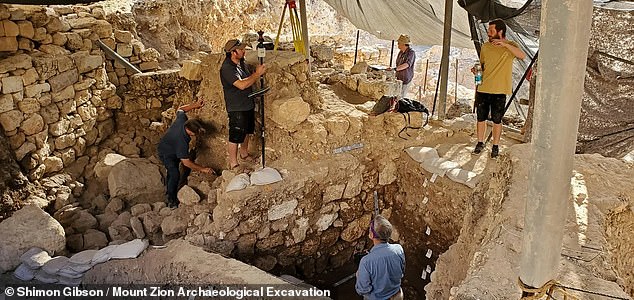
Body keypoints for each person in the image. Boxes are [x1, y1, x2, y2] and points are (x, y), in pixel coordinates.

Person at [472, 19, 526, 158]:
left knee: (497, 120)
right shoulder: (485, 47)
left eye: (491, 31)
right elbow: (483, 65)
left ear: (500, 31)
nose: (488, 34)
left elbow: (522, 56)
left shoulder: (511, 46)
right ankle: (480, 142)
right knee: (481, 118)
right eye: (488, 31)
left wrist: (504, 45)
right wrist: (476, 70)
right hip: (483, 88)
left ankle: (495, 146)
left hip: (500, 90)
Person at [219, 38, 267, 170]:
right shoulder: (227, 68)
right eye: (241, 49)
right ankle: (233, 163)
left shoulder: (241, 63)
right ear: (233, 52)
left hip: (247, 103)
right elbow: (241, 85)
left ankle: (244, 154)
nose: (244, 51)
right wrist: (257, 74)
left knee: (247, 131)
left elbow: (247, 78)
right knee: (236, 134)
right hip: (236, 107)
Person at [157, 100, 213, 208]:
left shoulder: (182, 120)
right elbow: (186, 162)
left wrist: (195, 105)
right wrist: (203, 169)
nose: (194, 136)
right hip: (166, 153)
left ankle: (170, 188)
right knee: (174, 174)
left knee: (173, 171)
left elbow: (181, 109)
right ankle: (171, 200)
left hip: (170, 146)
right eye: (194, 134)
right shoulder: (181, 141)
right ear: (188, 130)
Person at [355, 215, 405, 300]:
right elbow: (401, 272)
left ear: (371, 235)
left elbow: (363, 290)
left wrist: (358, 276)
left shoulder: (366, 261)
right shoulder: (398, 249)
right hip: (396, 295)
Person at [394, 34, 416, 99]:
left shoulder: (411, 53)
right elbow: (398, 64)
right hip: (399, 78)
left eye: (399, 43)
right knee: (395, 96)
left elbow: (407, 64)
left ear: (403, 44)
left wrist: (395, 69)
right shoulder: (400, 52)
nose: (397, 44)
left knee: (400, 97)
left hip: (405, 79)